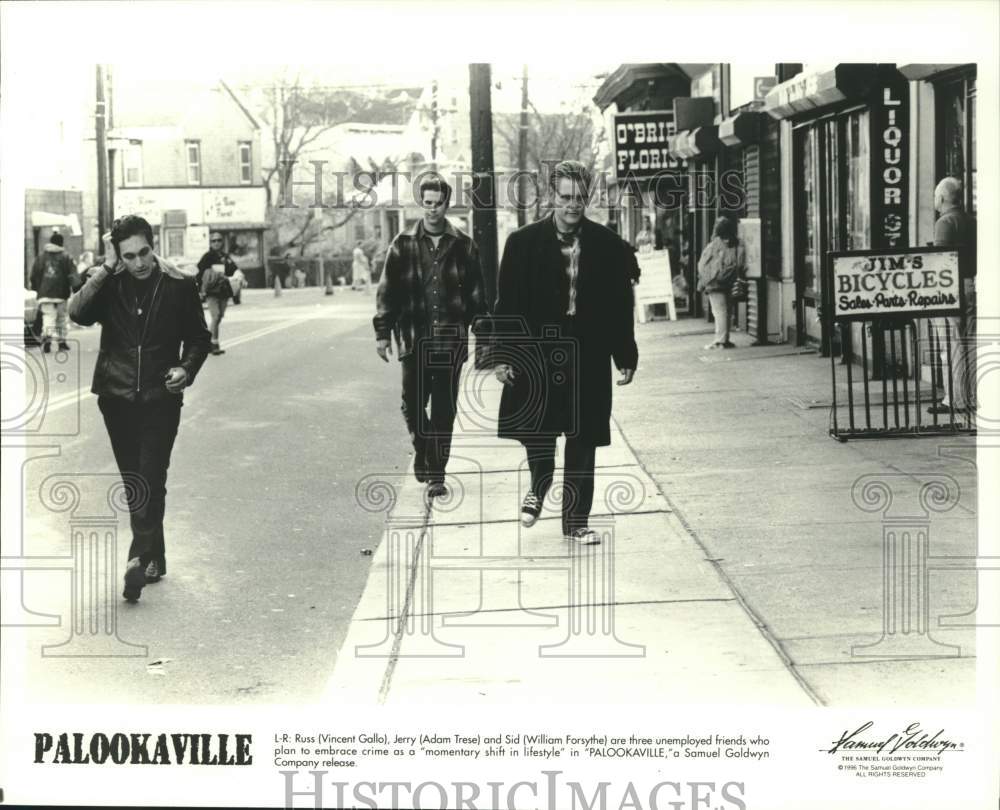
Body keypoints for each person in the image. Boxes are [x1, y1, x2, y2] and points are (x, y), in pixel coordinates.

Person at [68, 215, 211, 603]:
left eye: (144, 252)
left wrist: (186, 368)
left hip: (160, 397)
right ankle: (154, 557)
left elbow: (199, 338)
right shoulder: (110, 283)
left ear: (154, 244)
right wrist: (104, 270)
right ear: (119, 255)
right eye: (128, 256)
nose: (139, 263)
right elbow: (77, 313)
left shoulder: (179, 284)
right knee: (136, 481)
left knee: (151, 473)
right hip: (115, 397)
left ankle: (137, 557)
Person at [494, 160, 637, 545]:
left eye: (580, 197)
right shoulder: (522, 244)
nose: (573, 205)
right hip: (539, 349)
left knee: (583, 436)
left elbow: (620, 304)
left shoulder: (607, 245)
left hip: (587, 349)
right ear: (550, 197)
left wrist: (625, 354)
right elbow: (507, 303)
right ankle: (539, 486)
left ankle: (576, 521)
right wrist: (503, 355)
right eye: (566, 197)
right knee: (539, 430)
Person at [374, 176, 488, 498]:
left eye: (438, 202)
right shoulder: (402, 244)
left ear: (446, 203)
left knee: (443, 409)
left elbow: (477, 296)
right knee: (412, 403)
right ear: (420, 203)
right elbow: (387, 293)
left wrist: (483, 332)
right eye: (427, 202)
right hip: (414, 338)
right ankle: (423, 449)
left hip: (450, 342)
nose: (433, 208)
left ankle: (437, 473)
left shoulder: (464, 245)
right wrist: (383, 333)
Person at [928, 176, 977, 415]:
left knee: (950, 344)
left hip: (950, 290)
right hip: (970, 285)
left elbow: (942, 261)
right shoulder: (971, 220)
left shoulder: (944, 222)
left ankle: (954, 399)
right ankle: (971, 395)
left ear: (942, 198)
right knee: (968, 343)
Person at [696, 215, 746, 350]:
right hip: (729, 281)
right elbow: (740, 263)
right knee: (727, 312)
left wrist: (704, 279)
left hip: (715, 282)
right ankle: (726, 339)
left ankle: (720, 341)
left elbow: (702, 264)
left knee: (719, 312)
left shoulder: (714, 244)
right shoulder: (738, 243)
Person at [29, 231, 81, 353]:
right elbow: (73, 275)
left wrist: (37, 288)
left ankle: (47, 338)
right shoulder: (66, 257)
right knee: (61, 318)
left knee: (48, 316)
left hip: (45, 294)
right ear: (61, 243)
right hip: (61, 294)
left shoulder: (41, 257)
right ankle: (62, 342)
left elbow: (34, 275)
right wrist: (77, 289)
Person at [200, 260, 234, 355]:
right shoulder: (208, 265)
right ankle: (214, 344)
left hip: (224, 294)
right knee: (216, 316)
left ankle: (210, 342)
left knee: (219, 317)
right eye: (214, 243)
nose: (217, 243)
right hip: (212, 295)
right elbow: (205, 281)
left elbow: (231, 272)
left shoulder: (225, 260)